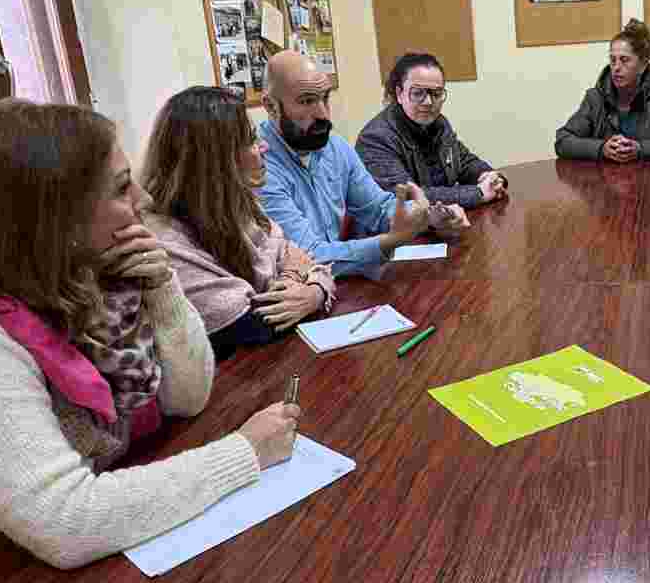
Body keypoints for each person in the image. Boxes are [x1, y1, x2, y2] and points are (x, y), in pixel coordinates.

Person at [0, 101, 300, 583]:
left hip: (46, 565)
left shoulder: (92, 285)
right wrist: (244, 452)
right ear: (52, 217)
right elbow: (66, 519)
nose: (142, 199)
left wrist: (162, 285)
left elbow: (188, 397)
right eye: (120, 188)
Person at [142, 86, 337, 363]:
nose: (264, 147)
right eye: (250, 140)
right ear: (214, 161)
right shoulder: (165, 240)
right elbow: (249, 325)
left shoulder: (239, 208)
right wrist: (308, 285)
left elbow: (302, 257)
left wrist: (314, 290)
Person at [258, 51, 468, 278]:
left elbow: (378, 208)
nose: (323, 114)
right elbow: (306, 257)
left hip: (329, 285)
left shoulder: (335, 147)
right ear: (271, 106)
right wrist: (389, 242)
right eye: (306, 101)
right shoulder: (257, 167)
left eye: (325, 98)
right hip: (289, 290)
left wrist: (428, 217)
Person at [356, 52, 507, 209]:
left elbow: (463, 161)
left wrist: (488, 176)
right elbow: (408, 197)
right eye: (417, 93)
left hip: (444, 220)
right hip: (401, 224)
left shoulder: (439, 123)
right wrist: (478, 193)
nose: (428, 102)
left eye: (436, 93)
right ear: (399, 94)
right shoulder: (375, 138)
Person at [555, 18, 650, 163]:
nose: (616, 67)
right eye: (613, 60)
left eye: (624, 60)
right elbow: (563, 141)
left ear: (643, 65)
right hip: (606, 176)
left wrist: (641, 149)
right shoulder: (596, 97)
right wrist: (601, 148)